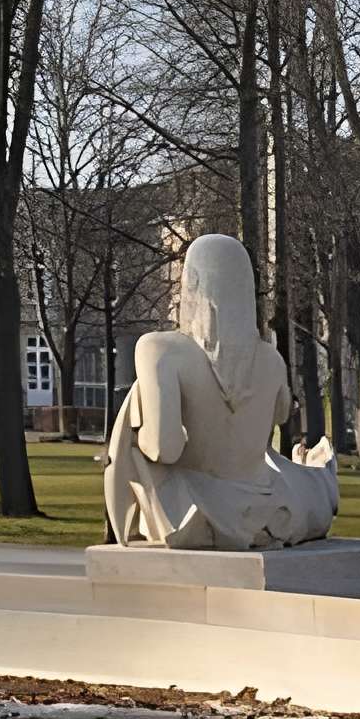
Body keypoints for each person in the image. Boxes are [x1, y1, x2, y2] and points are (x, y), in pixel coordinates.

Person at [104, 232, 337, 551]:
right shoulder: (271, 360)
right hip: (270, 503)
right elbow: (279, 415)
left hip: (201, 506)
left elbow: (164, 448)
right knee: (305, 477)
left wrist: (133, 435)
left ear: (193, 283)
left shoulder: (160, 350)